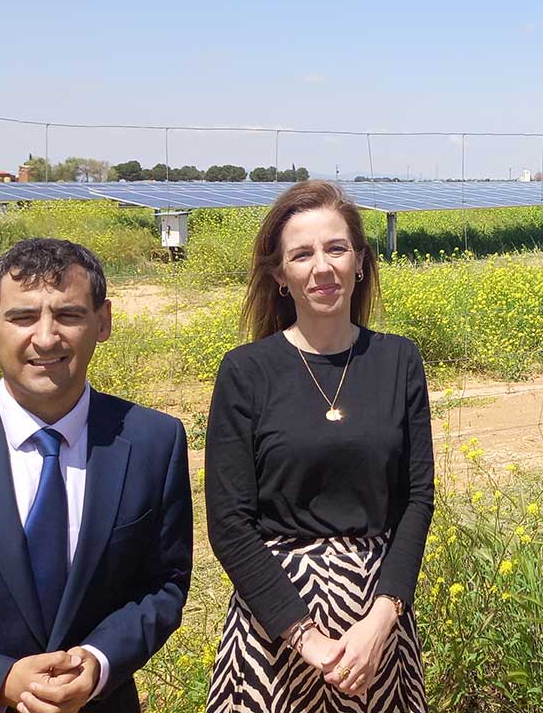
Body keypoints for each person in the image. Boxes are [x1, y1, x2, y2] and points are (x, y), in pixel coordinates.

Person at [0, 237, 193, 713]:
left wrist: (99, 660)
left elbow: (163, 586)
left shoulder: (154, 443)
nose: (45, 338)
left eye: (68, 315)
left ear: (102, 322)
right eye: (22, 317)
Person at [206, 180, 432, 712]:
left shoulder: (399, 361)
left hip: (375, 629)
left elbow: (417, 499)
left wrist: (382, 619)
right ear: (281, 276)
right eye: (301, 254)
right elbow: (230, 523)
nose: (322, 267)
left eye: (336, 248)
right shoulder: (245, 372)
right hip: (276, 629)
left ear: (359, 261)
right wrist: (306, 639)